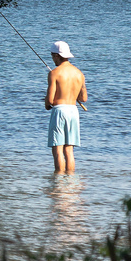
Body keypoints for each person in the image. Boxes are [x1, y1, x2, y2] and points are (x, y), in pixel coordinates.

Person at [44, 41, 87, 174]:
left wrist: (47, 103)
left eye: (52, 55)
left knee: (57, 149)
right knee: (69, 150)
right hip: (73, 111)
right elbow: (83, 98)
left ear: (57, 56)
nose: (52, 58)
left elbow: (50, 100)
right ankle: (71, 179)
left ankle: (58, 180)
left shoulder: (54, 73)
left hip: (60, 111)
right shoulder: (79, 74)